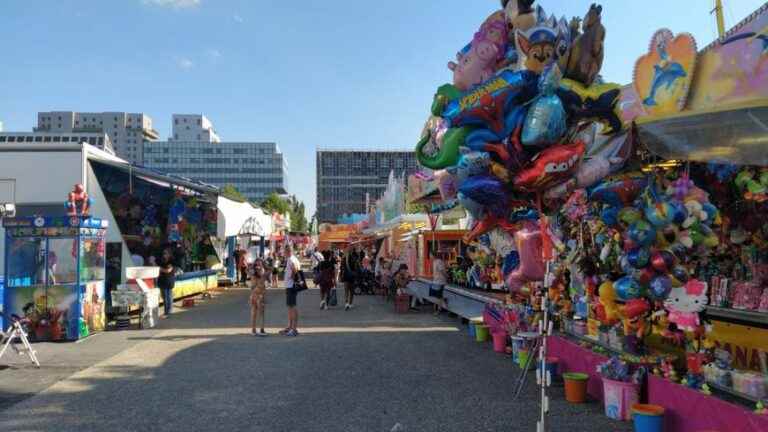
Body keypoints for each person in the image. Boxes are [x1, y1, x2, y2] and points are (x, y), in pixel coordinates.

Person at [280, 246, 302, 336]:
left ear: (287, 251)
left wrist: (293, 279)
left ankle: (293, 329)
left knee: (292, 307)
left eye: (284, 252)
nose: (283, 254)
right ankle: (290, 327)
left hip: (291, 286)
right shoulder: (293, 259)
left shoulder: (290, 259)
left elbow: (295, 270)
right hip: (290, 285)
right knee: (290, 306)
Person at [249, 258, 268, 336]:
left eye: (259, 264)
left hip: (255, 294)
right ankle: (260, 330)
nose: (258, 266)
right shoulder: (260, 272)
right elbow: (269, 270)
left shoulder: (254, 272)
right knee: (259, 313)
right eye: (258, 264)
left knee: (256, 313)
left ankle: (256, 330)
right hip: (258, 295)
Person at [157, 247, 176, 318]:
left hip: (168, 281)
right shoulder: (162, 261)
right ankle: (168, 311)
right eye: (163, 253)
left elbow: (168, 270)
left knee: (167, 297)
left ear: (169, 254)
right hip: (162, 280)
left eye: (165, 253)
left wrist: (159, 268)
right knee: (166, 296)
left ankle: (167, 312)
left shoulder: (171, 261)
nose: (164, 254)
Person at [431, 251, 448, 316]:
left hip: (440, 281)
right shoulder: (434, 262)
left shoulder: (439, 262)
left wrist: (447, 277)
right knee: (437, 296)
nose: (430, 256)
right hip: (436, 281)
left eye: (430, 255)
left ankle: (439, 309)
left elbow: (442, 271)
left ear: (433, 255)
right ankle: (442, 305)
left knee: (438, 297)